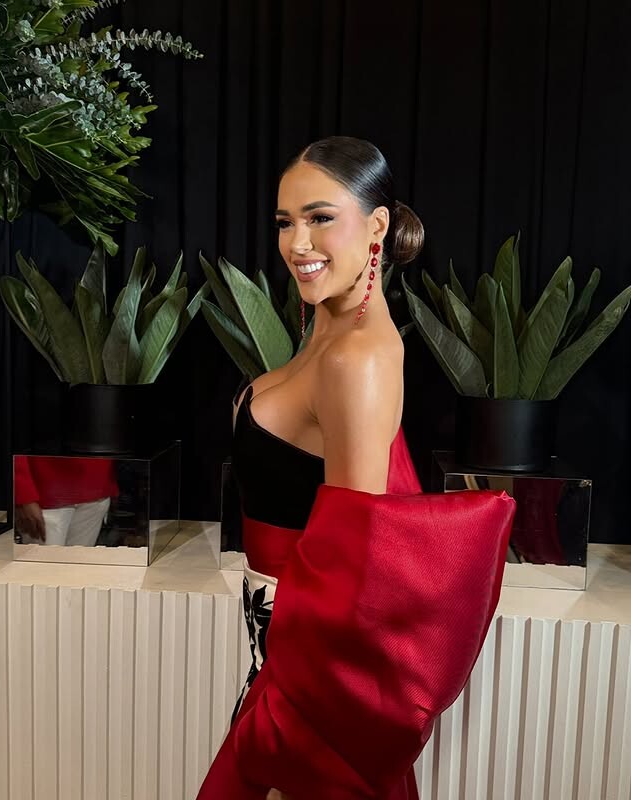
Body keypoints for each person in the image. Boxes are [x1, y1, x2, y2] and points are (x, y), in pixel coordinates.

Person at [196, 136, 516, 799]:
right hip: (275, 656)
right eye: (286, 222)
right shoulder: (329, 333)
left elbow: (355, 569)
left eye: (321, 218)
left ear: (376, 227)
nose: (298, 243)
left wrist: (289, 717)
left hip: (305, 683)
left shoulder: (357, 358)